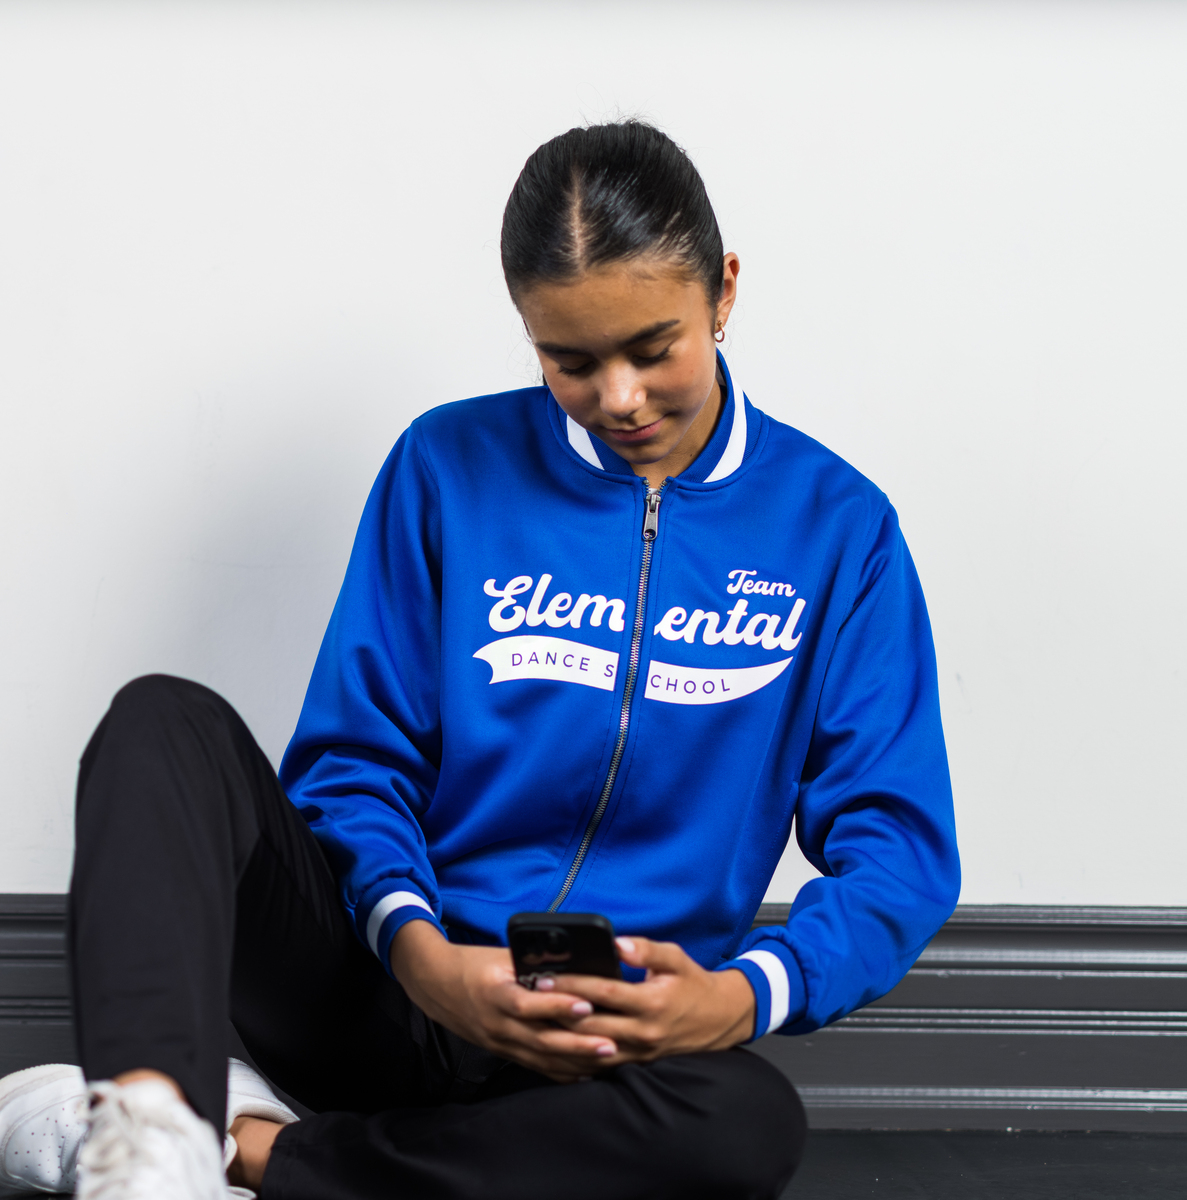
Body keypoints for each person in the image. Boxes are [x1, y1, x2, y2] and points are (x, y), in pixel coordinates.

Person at [0, 121, 959, 1200]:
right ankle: (146, 1141)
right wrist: (423, 958)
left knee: (745, 1125)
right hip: (387, 985)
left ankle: (245, 1148)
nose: (618, 398)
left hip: (603, 1044)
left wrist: (737, 997)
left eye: (653, 348)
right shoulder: (445, 466)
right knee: (162, 722)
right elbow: (355, 765)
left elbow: (898, 851)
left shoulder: (837, 530)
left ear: (722, 292)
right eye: (569, 361)